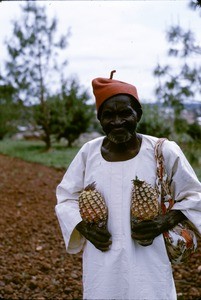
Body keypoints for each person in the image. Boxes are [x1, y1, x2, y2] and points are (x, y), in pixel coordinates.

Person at [55, 71, 201, 300]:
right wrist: (84, 227)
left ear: (138, 114)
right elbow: (66, 198)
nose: (117, 122)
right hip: (101, 260)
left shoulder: (163, 151)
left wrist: (163, 222)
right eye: (108, 115)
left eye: (126, 113)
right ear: (99, 118)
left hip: (150, 257)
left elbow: (195, 195)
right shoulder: (88, 153)